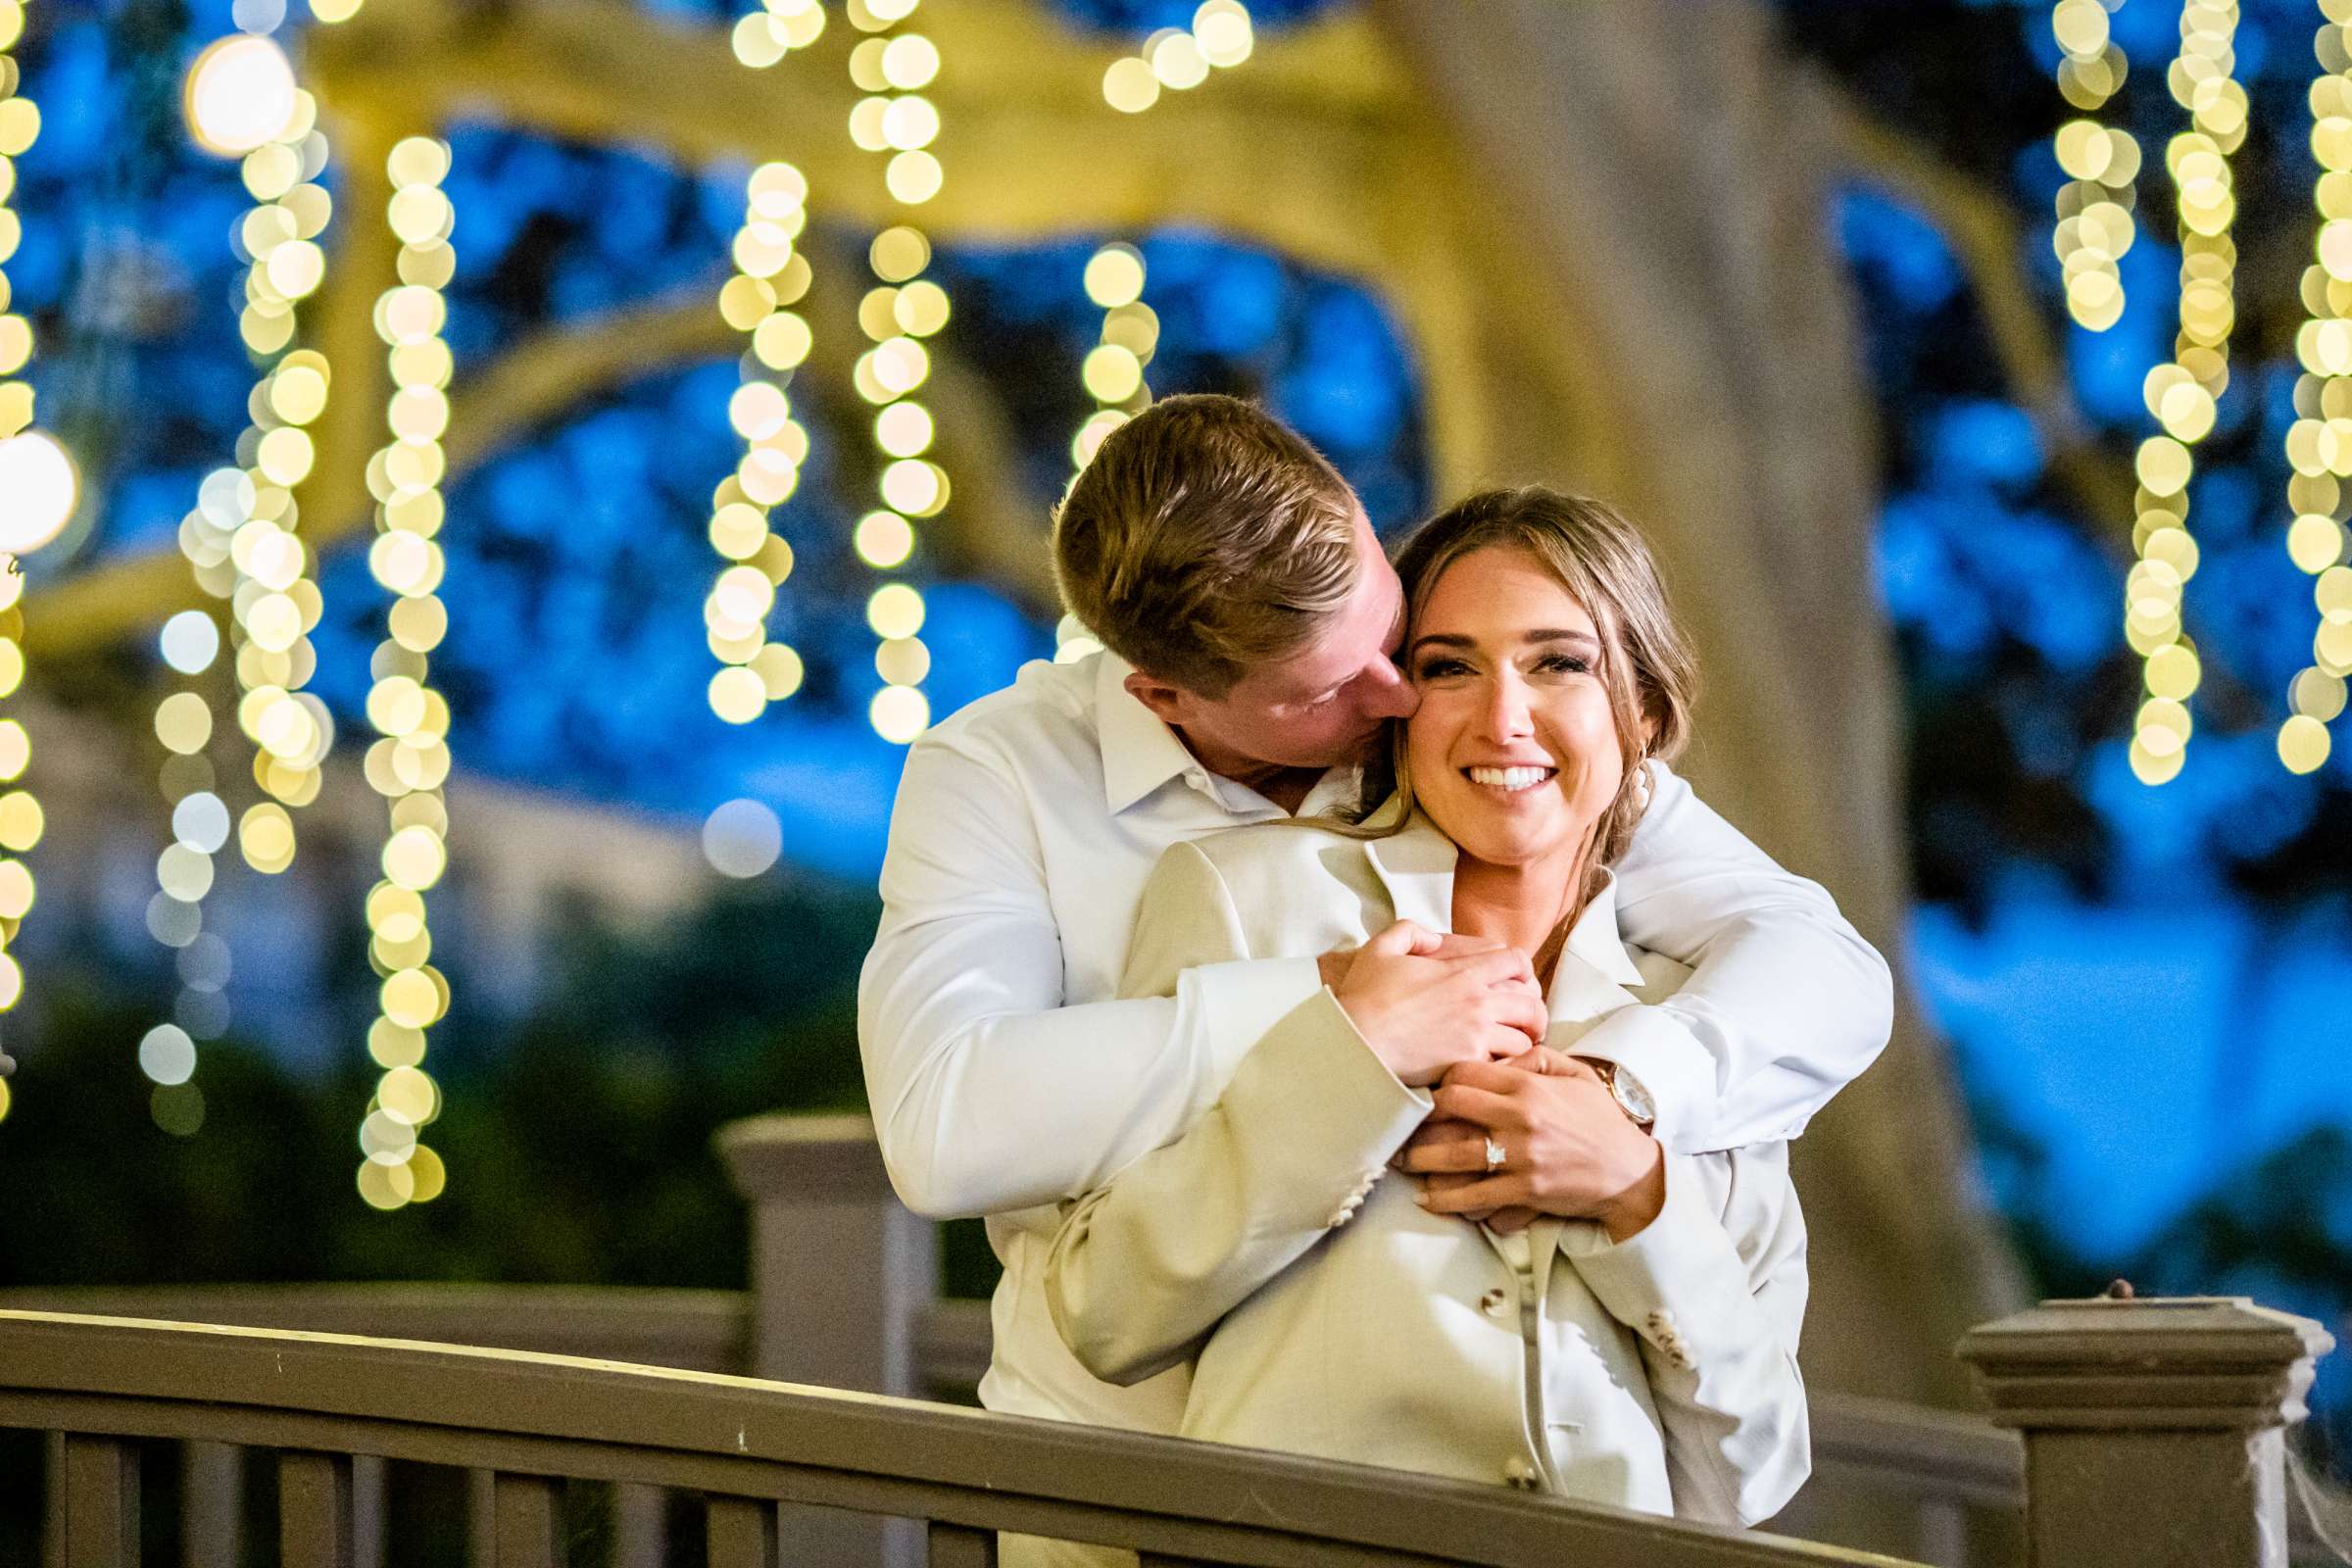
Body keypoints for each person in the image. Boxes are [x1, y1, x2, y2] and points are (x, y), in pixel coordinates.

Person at [858, 395, 1887, 1450]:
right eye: (1335, 686)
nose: (1398, 695)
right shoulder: (1001, 773)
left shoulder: (1480, 748)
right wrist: (1335, 1013)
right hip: (1098, 1456)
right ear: (1164, 697)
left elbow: (1821, 962)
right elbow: (943, 1128)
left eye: (1392, 628)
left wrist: (1621, 1100)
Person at [1044, 487, 1810, 1527]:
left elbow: (1755, 1475)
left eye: (1559, 662)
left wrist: (1636, 1195)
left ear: (1645, 714)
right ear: (1400, 703)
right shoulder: (1245, 899)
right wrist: (1349, 1068)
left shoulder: (1703, 1021)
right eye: (1448, 665)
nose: (1503, 716)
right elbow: (1105, 1309)